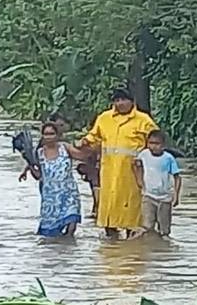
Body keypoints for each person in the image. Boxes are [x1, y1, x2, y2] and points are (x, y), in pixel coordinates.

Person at [80, 88, 158, 238]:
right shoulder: (104, 118)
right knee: (109, 209)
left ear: (132, 101)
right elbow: (94, 136)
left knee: (132, 212)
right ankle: (112, 243)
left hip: (133, 172)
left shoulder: (143, 120)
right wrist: (85, 141)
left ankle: (132, 245)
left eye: (124, 100)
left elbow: (155, 142)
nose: (120, 103)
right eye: (117, 100)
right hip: (109, 171)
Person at [29, 121, 85, 237]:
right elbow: (39, 176)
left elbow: (81, 156)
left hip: (69, 193)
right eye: (46, 134)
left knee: (72, 220)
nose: (49, 137)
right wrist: (29, 166)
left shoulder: (65, 148)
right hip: (50, 197)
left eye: (52, 134)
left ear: (57, 135)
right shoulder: (39, 153)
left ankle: (69, 247)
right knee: (50, 233)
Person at [133, 129, 182, 237]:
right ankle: (151, 248)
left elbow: (177, 177)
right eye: (151, 143)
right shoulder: (144, 154)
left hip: (165, 198)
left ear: (163, 145)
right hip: (148, 196)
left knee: (164, 230)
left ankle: (163, 249)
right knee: (147, 226)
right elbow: (136, 165)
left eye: (157, 143)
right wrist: (139, 180)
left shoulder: (168, 158)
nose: (153, 146)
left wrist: (176, 195)